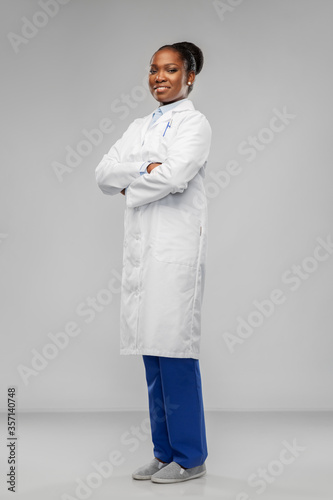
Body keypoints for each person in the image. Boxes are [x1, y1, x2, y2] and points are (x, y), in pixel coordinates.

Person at [95, 41, 212, 484]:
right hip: (144, 256)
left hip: (175, 253)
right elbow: (103, 173)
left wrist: (134, 179)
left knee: (176, 354)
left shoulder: (195, 124)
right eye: (153, 70)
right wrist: (148, 169)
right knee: (152, 357)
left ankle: (192, 456)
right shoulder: (139, 125)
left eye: (170, 69)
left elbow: (178, 175)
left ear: (190, 77)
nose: (159, 77)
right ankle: (164, 452)